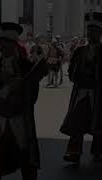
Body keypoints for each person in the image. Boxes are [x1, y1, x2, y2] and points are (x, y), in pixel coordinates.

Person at [0, 22, 48, 180]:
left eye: (5, 44)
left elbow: (33, 96)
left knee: (26, 158)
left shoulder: (27, 67)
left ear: (13, 44)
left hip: (20, 120)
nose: (1, 48)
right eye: (0, 44)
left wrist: (22, 89)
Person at [60, 12, 102, 165]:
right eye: (89, 30)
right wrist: (78, 76)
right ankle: (74, 151)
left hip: (98, 93)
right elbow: (71, 71)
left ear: (100, 33)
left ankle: (98, 150)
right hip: (82, 91)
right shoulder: (79, 51)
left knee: (99, 121)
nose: (91, 33)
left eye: (94, 31)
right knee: (77, 120)